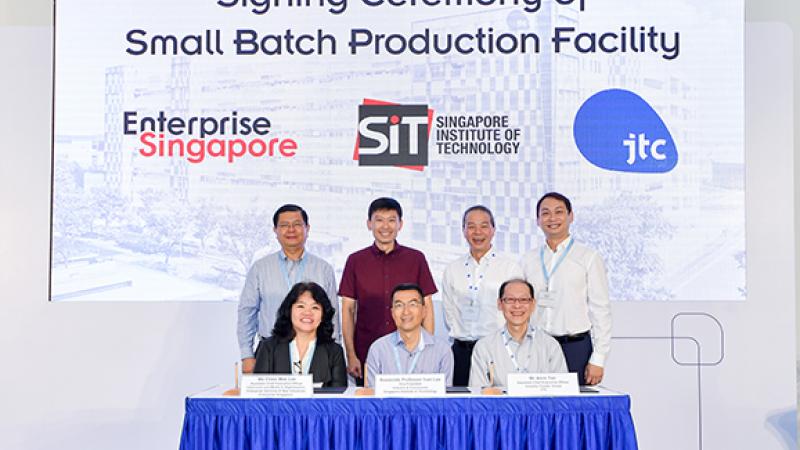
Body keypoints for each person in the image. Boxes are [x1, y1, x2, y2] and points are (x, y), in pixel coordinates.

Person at [339, 197, 438, 385]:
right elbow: (348, 310)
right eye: (379, 220)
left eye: (392, 220)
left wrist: (428, 352)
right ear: (369, 224)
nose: (385, 226)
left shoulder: (416, 259)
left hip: (411, 353)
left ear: (400, 224)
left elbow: (427, 307)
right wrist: (351, 354)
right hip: (367, 352)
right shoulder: (355, 261)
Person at [521, 192, 612, 385]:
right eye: (545, 213)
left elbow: (600, 310)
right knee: (537, 403)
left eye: (559, 212)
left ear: (571, 216)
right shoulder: (528, 260)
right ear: (538, 220)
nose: (552, 218)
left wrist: (599, 358)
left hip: (575, 347)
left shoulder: (588, 257)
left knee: (574, 404)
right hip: (537, 347)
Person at [237, 204, 338, 374]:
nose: (291, 230)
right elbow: (247, 312)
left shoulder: (323, 269)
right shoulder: (260, 268)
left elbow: (332, 315)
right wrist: (247, 354)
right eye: (284, 225)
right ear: (275, 230)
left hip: (314, 352)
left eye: (297, 224)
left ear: (307, 228)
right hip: (270, 351)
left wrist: (334, 354)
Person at [441, 205, 523, 386]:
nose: (477, 232)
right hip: (462, 351)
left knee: (498, 401)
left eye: (484, 226)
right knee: (462, 402)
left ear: (493, 230)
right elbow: (449, 312)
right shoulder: (452, 269)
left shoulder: (510, 268)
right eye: (471, 226)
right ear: (463, 231)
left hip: (498, 351)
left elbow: (518, 311)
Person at [469, 279, 567, 389]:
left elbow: (562, 391)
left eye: (523, 300)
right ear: (500, 304)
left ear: (533, 304)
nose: (517, 305)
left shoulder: (551, 346)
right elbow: (478, 392)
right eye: (510, 300)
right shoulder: (484, 347)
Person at [253, 282, 347, 387]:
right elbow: (258, 393)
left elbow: (338, 395)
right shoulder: (268, 348)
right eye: (301, 306)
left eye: (315, 307)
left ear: (323, 315)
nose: (307, 313)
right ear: (289, 310)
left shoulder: (335, 352)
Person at [365, 283, 453, 387]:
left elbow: (445, 394)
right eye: (399, 305)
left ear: (424, 311)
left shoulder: (442, 351)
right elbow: (371, 394)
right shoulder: (378, 349)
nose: (406, 312)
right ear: (392, 313)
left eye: (412, 304)